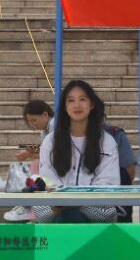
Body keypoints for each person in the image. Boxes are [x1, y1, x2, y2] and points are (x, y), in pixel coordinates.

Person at [32, 80, 120, 224]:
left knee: (74, 216)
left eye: (82, 99)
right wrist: (63, 201)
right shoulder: (50, 141)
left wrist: (75, 201)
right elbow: (48, 184)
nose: (77, 105)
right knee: (63, 216)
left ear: (91, 104)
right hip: (57, 215)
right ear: (65, 107)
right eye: (71, 100)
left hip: (96, 219)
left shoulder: (107, 142)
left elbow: (108, 187)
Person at [6, 99, 54, 222]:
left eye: (34, 120)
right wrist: (29, 153)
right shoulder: (45, 131)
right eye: (30, 122)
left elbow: (51, 152)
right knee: (34, 166)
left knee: (35, 166)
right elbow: (45, 153)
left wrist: (29, 153)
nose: (33, 124)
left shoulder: (55, 125)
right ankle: (29, 205)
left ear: (45, 114)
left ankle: (30, 207)